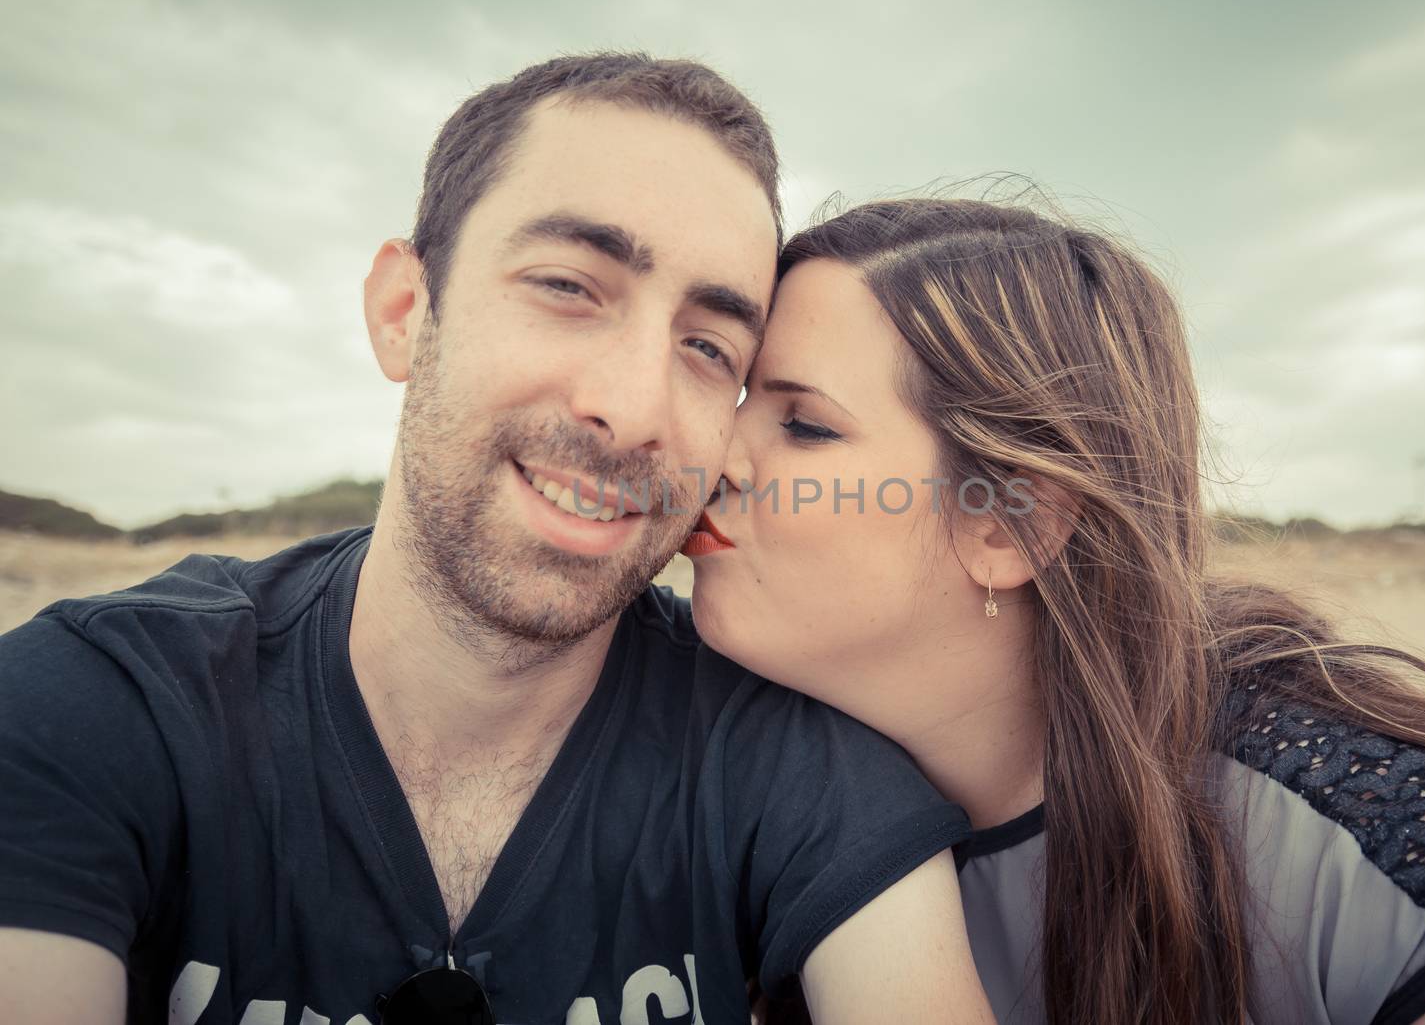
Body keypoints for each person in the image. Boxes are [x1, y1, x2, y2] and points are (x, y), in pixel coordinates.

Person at [0, 57, 998, 1025]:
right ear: (404, 310)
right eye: (568, 286)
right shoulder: (99, 708)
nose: (633, 406)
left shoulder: (792, 764)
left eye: (707, 346)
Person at [686, 196, 1425, 1024]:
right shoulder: (740, 783)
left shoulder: (1374, 843)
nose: (714, 450)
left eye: (803, 423)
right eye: (734, 401)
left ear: (1013, 522)